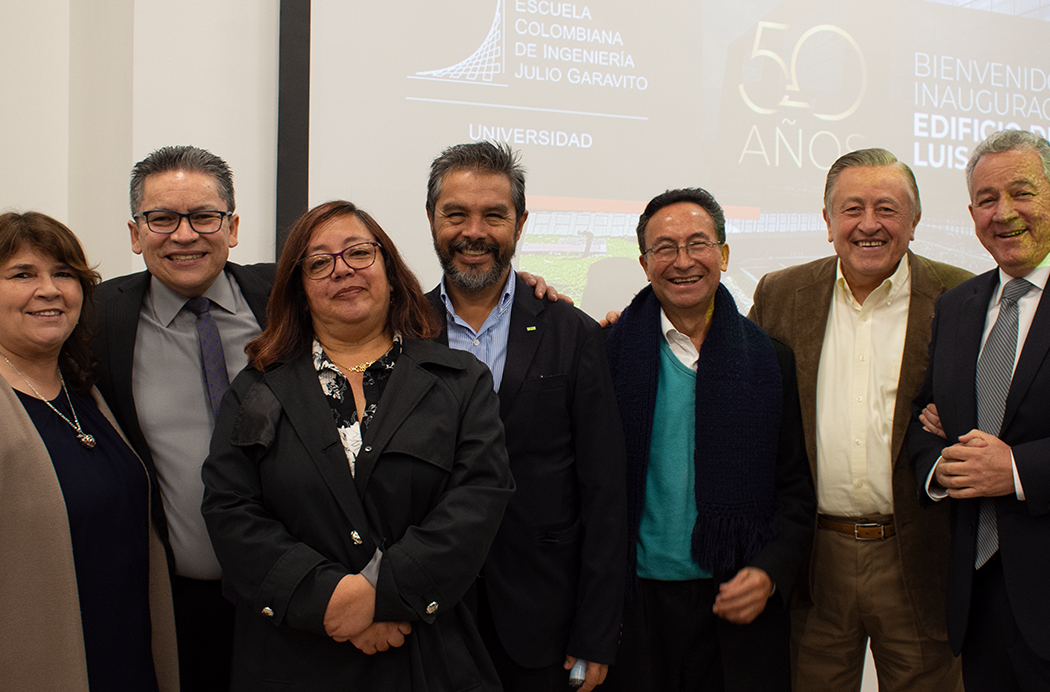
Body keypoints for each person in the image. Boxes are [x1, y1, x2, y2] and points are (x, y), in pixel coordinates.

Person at [201, 200, 514, 690]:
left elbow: (478, 500)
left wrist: (381, 596)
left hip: (424, 650)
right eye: (319, 263)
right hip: (293, 654)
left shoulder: (460, 382)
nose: (342, 270)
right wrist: (328, 599)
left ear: (390, 271)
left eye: (359, 253)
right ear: (301, 292)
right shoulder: (257, 388)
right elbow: (230, 509)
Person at [748, 148, 970, 691]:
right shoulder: (781, 295)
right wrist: (618, 325)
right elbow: (729, 373)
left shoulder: (962, 296)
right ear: (827, 222)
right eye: (852, 208)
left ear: (914, 222)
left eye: (887, 209)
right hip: (814, 561)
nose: (868, 224)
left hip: (918, 552)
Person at [423, 141, 627, 692]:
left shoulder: (573, 332)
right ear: (431, 219)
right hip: (427, 617)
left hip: (544, 622)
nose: (475, 231)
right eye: (456, 214)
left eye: (494, 215)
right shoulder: (400, 330)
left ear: (521, 222)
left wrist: (597, 632)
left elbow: (605, 493)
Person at [603, 188, 815, 691]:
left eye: (698, 244)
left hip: (737, 604)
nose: (683, 262)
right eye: (664, 248)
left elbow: (796, 489)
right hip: (633, 604)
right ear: (643, 262)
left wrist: (769, 571)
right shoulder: (604, 356)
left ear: (722, 254)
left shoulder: (771, 362)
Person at [92, 146, 274, 691]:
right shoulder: (97, 318)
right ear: (134, 233)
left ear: (233, 226)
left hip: (295, 594)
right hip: (173, 603)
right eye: (162, 219)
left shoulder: (288, 299)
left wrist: (526, 291)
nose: (184, 234)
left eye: (204, 216)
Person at [0, 211, 178, 691]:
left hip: (126, 655)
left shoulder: (87, 390)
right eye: (22, 274)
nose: (50, 289)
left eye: (64, 274)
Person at [909, 129, 1050, 690]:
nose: (1004, 213)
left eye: (1022, 193)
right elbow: (926, 414)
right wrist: (939, 467)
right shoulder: (958, 305)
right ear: (972, 213)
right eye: (988, 200)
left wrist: (1015, 471)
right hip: (979, 598)